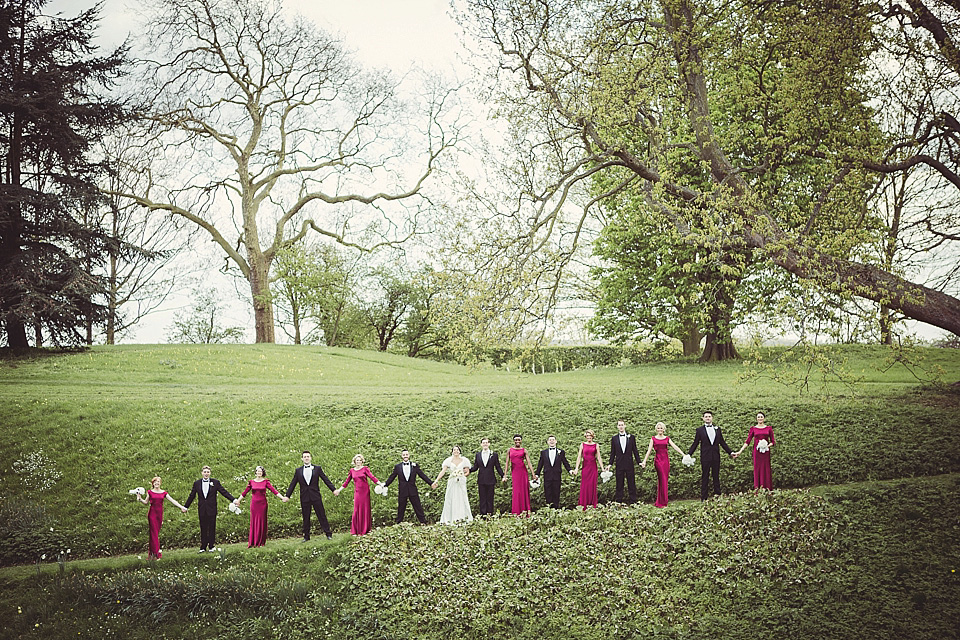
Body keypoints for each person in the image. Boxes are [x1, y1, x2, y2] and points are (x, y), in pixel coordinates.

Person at [285, 450, 336, 541]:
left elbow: (325, 479)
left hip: (315, 496)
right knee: (306, 517)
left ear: (311, 458)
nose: (306, 458)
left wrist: (333, 489)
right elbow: (293, 483)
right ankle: (306, 537)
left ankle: (328, 534)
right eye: (305, 457)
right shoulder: (298, 471)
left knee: (321, 515)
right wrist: (287, 495)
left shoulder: (317, 469)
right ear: (302, 459)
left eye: (308, 456)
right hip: (304, 497)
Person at [183, 465, 236, 553]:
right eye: (205, 472)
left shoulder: (215, 482)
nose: (206, 474)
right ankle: (203, 547)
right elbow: (192, 495)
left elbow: (224, 492)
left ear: (210, 473)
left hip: (212, 508)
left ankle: (211, 546)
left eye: (208, 472)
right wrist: (185, 507)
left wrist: (233, 500)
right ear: (202, 473)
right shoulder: (197, 483)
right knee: (203, 527)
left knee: (212, 527)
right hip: (202, 509)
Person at [234, 465, 288, 547]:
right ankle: (253, 541)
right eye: (257, 471)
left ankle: (261, 541)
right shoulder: (251, 482)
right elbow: (245, 492)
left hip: (262, 504)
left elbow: (274, 491)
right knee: (254, 521)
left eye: (260, 471)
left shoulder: (266, 482)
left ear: (262, 473)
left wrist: (282, 498)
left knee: (262, 522)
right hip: (254, 504)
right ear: (255, 472)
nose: (259, 472)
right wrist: (238, 500)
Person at [136, 476, 187, 560]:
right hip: (152, 514)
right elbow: (145, 502)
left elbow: (172, 500)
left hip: (159, 514)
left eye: (158, 482)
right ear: (153, 484)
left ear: (160, 483)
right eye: (155, 482)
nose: (157, 483)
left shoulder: (163, 493)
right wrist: (140, 498)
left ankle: (152, 554)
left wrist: (181, 507)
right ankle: (156, 554)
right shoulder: (150, 492)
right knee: (154, 534)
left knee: (155, 534)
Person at [688, 411, 734, 501]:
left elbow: (722, 443)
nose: (708, 418)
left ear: (712, 418)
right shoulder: (699, 430)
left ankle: (718, 496)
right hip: (705, 457)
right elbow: (695, 443)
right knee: (705, 476)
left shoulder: (718, 429)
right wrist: (689, 454)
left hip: (716, 456)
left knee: (716, 476)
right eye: (706, 416)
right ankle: (704, 498)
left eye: (709, 416)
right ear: (703, 418)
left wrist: (730, 452)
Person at [641, 422, 686, 507]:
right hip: (658, 461)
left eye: (661, 428)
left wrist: (683, 454)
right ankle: (661, 502)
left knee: (664, 480)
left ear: (664, 429)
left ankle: (663, 501)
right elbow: (649, 451)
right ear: (656, 429)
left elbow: (674, 446)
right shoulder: (653, 439)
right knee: (662, 479)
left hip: (666, 461)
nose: (660, 429)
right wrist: (644, 461)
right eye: (658, 428)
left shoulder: (667, 438)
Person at [334, 454, 381, 535]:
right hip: (358, 492)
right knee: (356, 510)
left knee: (365, 509)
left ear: (362, 461)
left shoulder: (365, 469)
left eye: (360, 460)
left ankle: (366, 529)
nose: (358, 462)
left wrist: (380, 484)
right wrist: (339, 490)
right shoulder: (352, 471)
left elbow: (372, 477)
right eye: (357, 460)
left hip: (365, 492)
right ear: (354, 461)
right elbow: (346, 482)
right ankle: (356, 530)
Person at [383, 449, 434, 524]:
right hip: (402, 490)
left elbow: (422, 475)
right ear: (401, 456)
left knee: (417, 506)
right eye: (404, 455)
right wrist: (385, 485)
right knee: (401, 507)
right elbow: (392, 477)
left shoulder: (414, 465)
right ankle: (398, 523)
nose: (405, 456)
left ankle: (423, 522)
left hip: (412, 489)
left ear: (409, 455)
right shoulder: (398, 467)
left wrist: (431, 483)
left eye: (406, 454)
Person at [432, 445, 473, 524]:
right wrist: (436, 480)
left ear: (459, 451)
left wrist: (461, 475)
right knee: (451, 498)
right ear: (452, 451)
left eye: (457, 450)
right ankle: (449, 518)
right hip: (452, 482)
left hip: (461, 482)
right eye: (454, 450)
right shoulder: (448, 461)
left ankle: (463, 517)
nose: (456, 451)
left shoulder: (464, 460)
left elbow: (467, 472)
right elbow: (443, 471)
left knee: (462, 498)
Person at [734, 412, 776, 489]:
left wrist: (766, 446)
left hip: (765, 453)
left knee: (766, 469)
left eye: (761, 417)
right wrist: (740, 451)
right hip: (757, 453)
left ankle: (767, 488)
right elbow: (748, 441)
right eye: (758, 417)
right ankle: (758, 488)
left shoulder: (769, 428)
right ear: (756, 418)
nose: (760, 418)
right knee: (757, 469)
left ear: (764, 418)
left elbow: (773, 442)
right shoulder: (753, 428)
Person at [501, 434, 536, 515]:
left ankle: (526, 510)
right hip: (515, 472)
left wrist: (533, 474)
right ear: (513, 441)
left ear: (521, 440)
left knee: (524, 491)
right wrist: (505, 475)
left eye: (519, 439)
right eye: (516, 440)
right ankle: (516, 511)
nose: (517, 441)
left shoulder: (524, 450)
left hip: (523, 472)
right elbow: (507, 463)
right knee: (516, 491)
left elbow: (529, 462)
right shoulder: (509, 450)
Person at [609, 419, 642, 503]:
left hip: (629, 463)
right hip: (619, 464)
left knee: (631, 482)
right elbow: (613, 452)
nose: (621, 426)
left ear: (625, 426)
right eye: (619, 425)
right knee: (619, 483)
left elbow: (635, 451)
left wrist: (639, 462)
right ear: (617, 427)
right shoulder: (614, 438)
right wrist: (610, 464)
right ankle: (618, 501)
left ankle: (633, 501)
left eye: (622, 425)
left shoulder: (631, 437)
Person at [535, 435, 572, 509]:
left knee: (556, 492)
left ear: (556, 441)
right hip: (547, 475)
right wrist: (537, 474)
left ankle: (556, 509)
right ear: (547, 442)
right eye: (550, 440)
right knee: (547, 492)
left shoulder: (561, 452)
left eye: (553, 440)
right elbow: (540, 464)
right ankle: (549, 509)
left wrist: (570, 470)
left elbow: (565, 462)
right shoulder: (543, 452)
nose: (551, 441)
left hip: (557, 475)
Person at [573, 429, 606, 509]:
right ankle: (583, 505)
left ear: (592, 436)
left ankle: (592, 504)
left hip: (593, 467)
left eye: (590, 435)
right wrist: (576, 468)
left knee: (592, 485)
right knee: (584, 485)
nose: (588, 437)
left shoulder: (596, 445)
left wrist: (602, 468)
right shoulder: (582, 445)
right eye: (587, 436)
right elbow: (579, 457)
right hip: (585, 467)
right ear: (585, 436)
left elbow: (598, 457)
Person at [470, 437, 504, 516]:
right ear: (481, 444)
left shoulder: (494, 455)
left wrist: (503, 475)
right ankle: (483, 515)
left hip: (491, 479)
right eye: (483, 443)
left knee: (490, 498)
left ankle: (490, 514)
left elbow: (497, 466)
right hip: (481, 479)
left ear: (489, 444)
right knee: (482, 498)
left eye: (486, 442)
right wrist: (468, 470)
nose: (485, 444)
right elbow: (475, 467)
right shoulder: (478, 455)